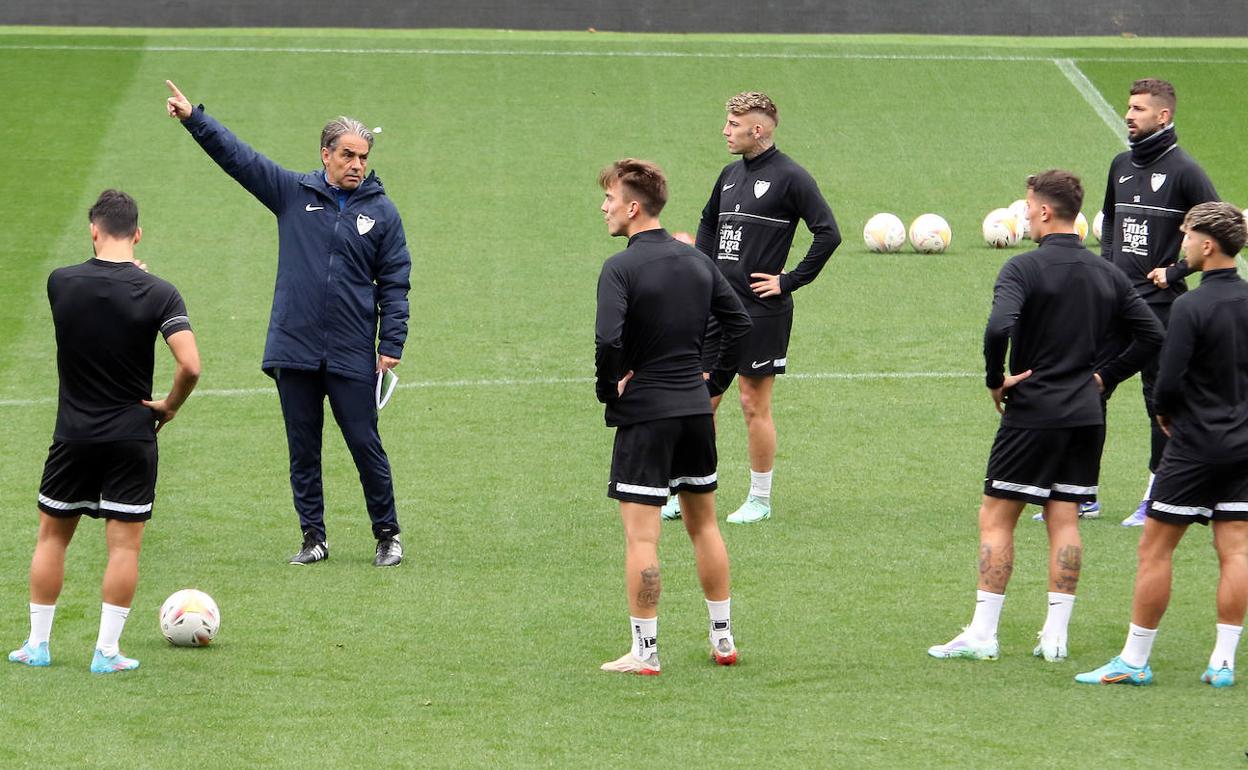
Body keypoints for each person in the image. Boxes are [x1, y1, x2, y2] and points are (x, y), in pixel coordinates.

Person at [165, 80, 410, 567]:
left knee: (365, 444)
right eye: (347, 155)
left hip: (351, 353)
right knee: (303, 448)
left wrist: (391, 341)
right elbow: (240, 159)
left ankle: (387, 535)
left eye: (363, 157)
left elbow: (396, 282)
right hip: (294, 349)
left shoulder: (382, 213)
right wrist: (196, 119)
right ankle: (313, 538)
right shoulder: (292, 193)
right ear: (325, 154)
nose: (357, 165)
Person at [928, 170, 1164, 663]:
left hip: (1033, 410)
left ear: (1042, 211)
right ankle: (1055, 638)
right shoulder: (1109, 273)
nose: (1022, 214)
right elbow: (1151, 335)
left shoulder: (1022, 269)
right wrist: (1104, 378)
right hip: (1086, 414)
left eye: (1026, 206)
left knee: (997, 515)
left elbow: (999, 327)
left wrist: (997, 377)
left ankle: (983, 633)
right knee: (1064, 516)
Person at [8, 190, 200, 673]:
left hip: (72, 435)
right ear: (137, 234)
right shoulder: (160, 292)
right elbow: (191, 366)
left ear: (93, 229)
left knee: (51, 539)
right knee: (124, 546)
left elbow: (99, 289)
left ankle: (37, 646)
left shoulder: (60, 283)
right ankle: (107, 653)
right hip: (132, 435)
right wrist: (168, 407)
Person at [1077, 202, 1248, 688]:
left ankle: (1134, 660)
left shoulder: (1190, 306)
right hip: (1243, 445)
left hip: (1194, 446)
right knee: (1235, 551)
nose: (1183, 244)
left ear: (1208, 245)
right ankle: (1222, 663)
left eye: (1188, 236)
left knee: (1155, 550)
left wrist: (1166, 415)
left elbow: (1167, 384)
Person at [594, 159, 751, 675]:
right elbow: (740, 325)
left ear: (633, 207)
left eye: (611, 199)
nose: (605, 207)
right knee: (704, 527)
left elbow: (609, 339)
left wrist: (608, 389)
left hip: (645, 416)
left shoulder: (620, 267)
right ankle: (723, 639)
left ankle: (645, 651)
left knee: (642, 537)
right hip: (693, 412)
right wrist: (714, 383)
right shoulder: (697, 261)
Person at [661, 91, 841, 524]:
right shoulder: (728, 175)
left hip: (762, 310)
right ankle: (687, 488)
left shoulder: (791, 177)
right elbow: (708, 222)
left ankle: (759, 498)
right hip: (716, 308)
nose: (725, 131)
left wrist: (789, 280)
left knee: (751, 402)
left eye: (732, 124)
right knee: (701, 399)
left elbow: (828, 234)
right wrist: (705, 270)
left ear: (756, 129)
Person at [1099, 78, 1218, 526]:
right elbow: (1110, 218)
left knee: (1159, 399)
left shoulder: (1185, 171)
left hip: (1162, 309)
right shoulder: (1120, 165)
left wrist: (1177, 271)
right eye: (1128, 108)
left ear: (1162, 117)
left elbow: (1221, 230)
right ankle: (1083, 490)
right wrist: (1108, 267)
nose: (1129, 115)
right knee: (1091, 388)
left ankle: (1156, 493)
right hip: (1118, 304)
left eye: (1138, 109)